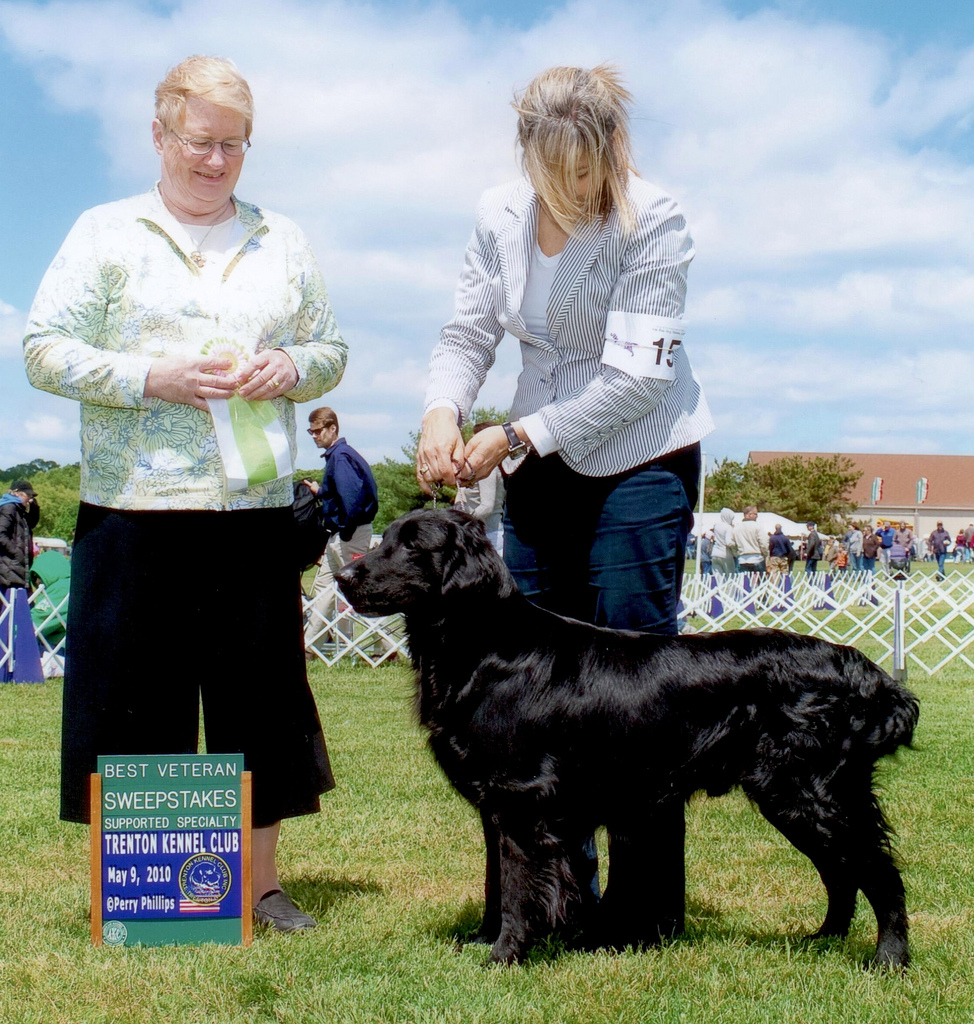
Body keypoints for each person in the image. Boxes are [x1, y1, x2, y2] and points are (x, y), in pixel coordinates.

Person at [24, 56, 348, 932]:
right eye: (200, 143)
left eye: (233, 145)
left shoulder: (282, 238)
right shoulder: (103, 232)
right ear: (160, 136)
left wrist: (294, 365)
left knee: (260, 699)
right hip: (132, 507)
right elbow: (42, 349)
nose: (215, 162)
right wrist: (150, 377)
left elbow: (329, 348)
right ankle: (145, 888)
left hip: (252, 511)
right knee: (132, 698)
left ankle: (261, 885)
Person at [417, 64, 714, 941]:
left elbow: (637, 376)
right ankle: (549, 902)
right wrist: (445, 410)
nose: (577, 189)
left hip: (640, 453)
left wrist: (514, 437)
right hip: (535, 457)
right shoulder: (496, 213)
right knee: (537, 693)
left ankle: (647, 907)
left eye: (588, 170)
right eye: (559, 174)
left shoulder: (654, 218)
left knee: (634, 688)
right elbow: (468, 329)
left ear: (612, 150)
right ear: (529, 158)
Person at [301, 407, 379, 654]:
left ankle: (383, 647)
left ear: (333, 428)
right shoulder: (339, 456)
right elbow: (341, 492)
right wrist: (320, 492)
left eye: (317, 430)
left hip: (349, 533)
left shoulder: (341, 456)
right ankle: (310, 647)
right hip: (341, 533)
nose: (314, 436)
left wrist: (345, 531)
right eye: (310, 431)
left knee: (361, 590)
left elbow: (351, 498)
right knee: (325, 590)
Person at [453, 422, 506, 553]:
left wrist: (463, 521)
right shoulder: (476, 470)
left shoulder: (489, 471)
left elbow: (486, 507)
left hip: (489, 535)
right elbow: (461, 493)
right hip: (478, 533)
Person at [0, 481, 39, 590]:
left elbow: (32, 523)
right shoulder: (9, 508)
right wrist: (16, 552)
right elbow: (0, 534)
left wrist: (34, 507)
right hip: (8, 571)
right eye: (28, 495)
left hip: (16, 570)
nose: (30, 499)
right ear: (17, 493)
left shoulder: (19, 511)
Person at [734, 505, 769, 574]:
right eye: (755, 514)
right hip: (757, 558)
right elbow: (764, 542)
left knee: (744, 583)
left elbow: (732, 543)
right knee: (759, 583)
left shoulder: (736, 528)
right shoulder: (758, 526)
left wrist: (736, 553)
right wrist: (765, 553)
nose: (757, 516)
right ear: (750, 514)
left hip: (742, 559)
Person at [711, 508, 737, 575]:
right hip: (725, 554)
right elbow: (728, 542)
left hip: (715, 553)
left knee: (718, 577)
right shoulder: (728, 527)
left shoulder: (716, 526)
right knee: (730, 576)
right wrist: (736, 545)